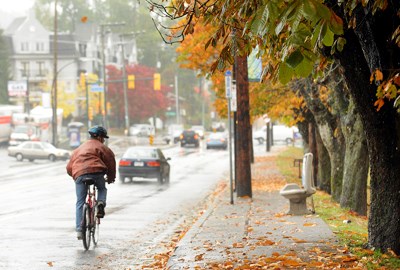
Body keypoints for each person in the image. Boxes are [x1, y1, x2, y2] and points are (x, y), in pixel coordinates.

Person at [66, 125, 116, 240]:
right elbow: (110, 162)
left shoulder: (78, 149)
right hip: (97, 172)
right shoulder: (102, 147)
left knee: (80, 202)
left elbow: (69, 167)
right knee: (102, 189)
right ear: (99, 137)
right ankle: (100, 204)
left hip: (79, 174)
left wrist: (75, 176)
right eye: (103, 138)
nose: (103, 140)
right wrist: (110, 178)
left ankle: (79, 230)